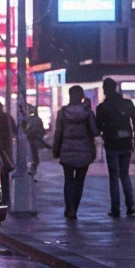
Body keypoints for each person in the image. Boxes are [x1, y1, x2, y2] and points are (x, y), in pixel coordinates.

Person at [96, 77, 135, 217]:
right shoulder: (127, 103)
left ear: (105, 90)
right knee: (124, 174)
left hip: (111, 144)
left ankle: (115, 208)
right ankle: (131, 205)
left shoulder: (102, 107)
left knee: (114, 177)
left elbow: (98, 127)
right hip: (126, 143)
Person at [53, 86, 98, 220]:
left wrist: (56, 150)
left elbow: (58, 133)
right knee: (79, 182)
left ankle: (69, 208)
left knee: (68, 181)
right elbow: (95, 131)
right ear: (82, 96)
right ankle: (75, 209)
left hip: (67, 151)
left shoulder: (63, 112)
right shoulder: (88, 113)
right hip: (84, 152)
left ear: (70, 95)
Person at [23, 105, 47, 181]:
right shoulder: (38, 120)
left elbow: (25, 129)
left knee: (32, 157)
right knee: (36, 159)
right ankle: (33, 173)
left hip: (29, 140)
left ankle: (32, 172)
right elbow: (42, 130)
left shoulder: (28, 119)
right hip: (35, 140)